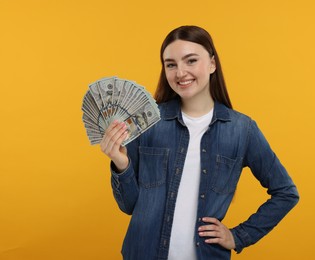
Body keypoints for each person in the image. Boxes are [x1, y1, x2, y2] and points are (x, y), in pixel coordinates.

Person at [100, 25, 299, 260]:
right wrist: (120, 164)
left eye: (191, 61)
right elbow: (130, 206)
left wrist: (238, 236)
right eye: (171, 64)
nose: (180, 72)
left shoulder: (241, 130)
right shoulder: (146, 122)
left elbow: (286, 192)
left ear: (212, 63)